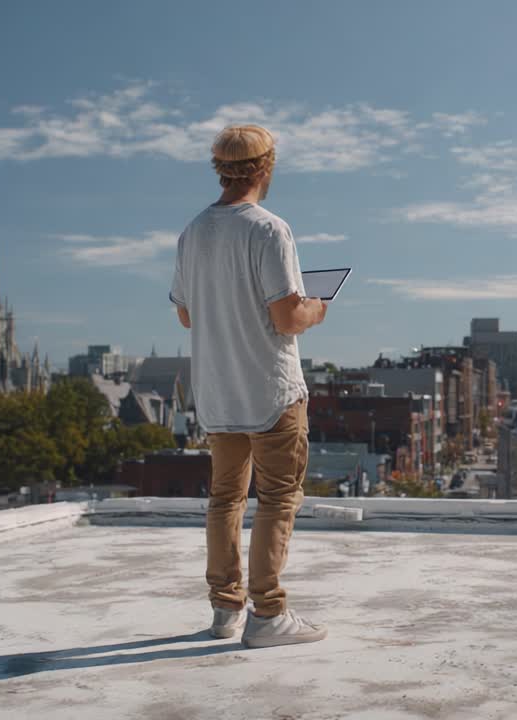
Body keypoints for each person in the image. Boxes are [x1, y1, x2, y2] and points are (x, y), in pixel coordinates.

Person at [169, 124, 329, 648]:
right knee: (279, 497)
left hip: (217, 391)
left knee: (225, 500)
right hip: (270, 389)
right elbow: (286, 318)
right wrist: (317, 308)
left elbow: (187, 317)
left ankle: (225, 609)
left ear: (220, 168)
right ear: (266, 167)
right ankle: (268, 614)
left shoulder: (192, 232)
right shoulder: (269, 230)